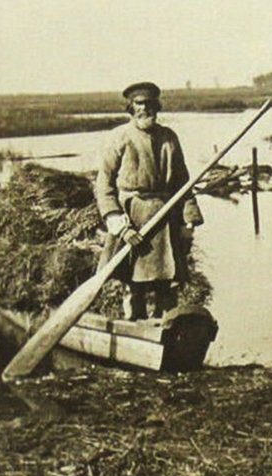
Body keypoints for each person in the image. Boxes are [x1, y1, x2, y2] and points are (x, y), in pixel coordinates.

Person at [95, 81, 203, 320]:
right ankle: (133, 325)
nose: (145, 109)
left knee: (167, 282)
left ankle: (165, 325)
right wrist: (120, 226)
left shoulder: (169, 138)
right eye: (139, 104)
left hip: (165, 218)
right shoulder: (119, 137)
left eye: (150, 104)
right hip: (132, 220)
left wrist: (189, 222)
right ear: (131, 107)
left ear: (157, 106)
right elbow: (104, 185)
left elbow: (183, 183)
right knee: (134, 284)